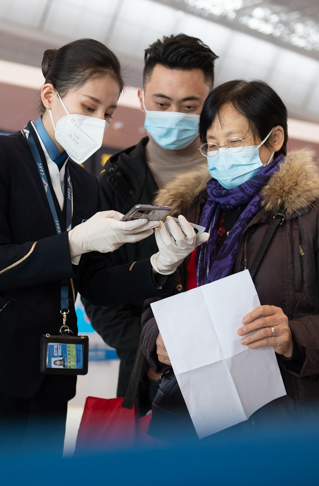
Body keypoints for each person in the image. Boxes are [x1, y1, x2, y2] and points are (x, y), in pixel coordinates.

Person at [0, 39, 208, 462]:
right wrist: (74, 242)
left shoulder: (85, 184)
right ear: (49, 95)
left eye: (107, 113)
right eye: (88, 107)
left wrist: (158, 265)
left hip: (50, 373)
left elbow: (94, 283)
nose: (98, 122)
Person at [140, 79, 319, 438]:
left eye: (234, 141)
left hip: (293, 421)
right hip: (195, 419)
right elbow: (156, 301)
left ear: (274, 139)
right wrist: (156, 340)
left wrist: (294, 336)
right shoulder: (188, 211)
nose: (222, 154)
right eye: (213, 144)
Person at [83, 34, 218, 412]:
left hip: (230, 362)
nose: (174, 114)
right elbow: (97, 289)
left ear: (209, 104)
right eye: (162, 103)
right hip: (147, 377)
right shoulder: (113, 181)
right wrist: (146, 350)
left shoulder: (233, 178)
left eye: (189, 105)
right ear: (142, 99)